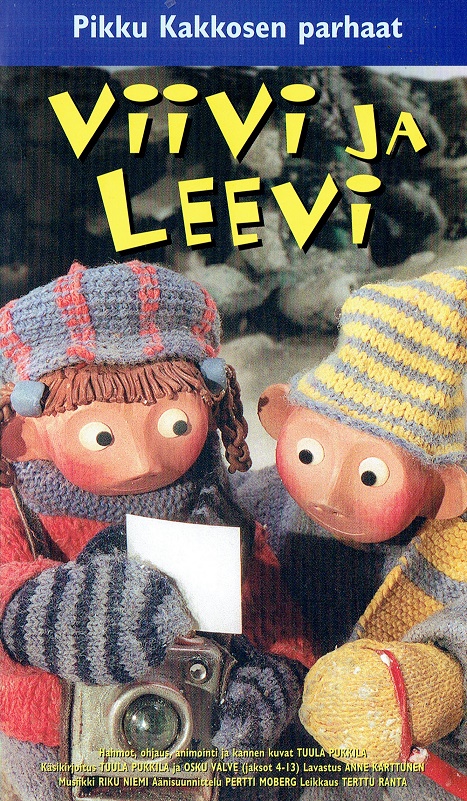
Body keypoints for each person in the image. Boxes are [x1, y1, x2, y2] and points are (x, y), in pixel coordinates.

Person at [0, 260, 314, 801]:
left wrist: (275, 676)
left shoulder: (215, 507)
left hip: (194, 744)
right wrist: (33, 610)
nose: (143, 459)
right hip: (57, 746)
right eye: (101, 436)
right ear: (23, 434)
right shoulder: (20, 507)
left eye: (175, 424)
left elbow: (268, 604)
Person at [235, 265, 467, 800]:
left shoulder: (450, 555)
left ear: (443, 491)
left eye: (370, 476)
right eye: (309, 454)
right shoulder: (267, 499)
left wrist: (427, 682)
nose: (329, 493)